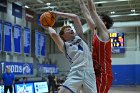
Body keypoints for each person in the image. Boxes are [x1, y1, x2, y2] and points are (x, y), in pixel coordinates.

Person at [41, 11, 97, 93]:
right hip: (76, 72)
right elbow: (54, 34)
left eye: (71, 28)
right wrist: (47, 26)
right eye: (68, 29)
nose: (71, 29)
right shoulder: (64, 46)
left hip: (90, 72)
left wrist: (57, 14)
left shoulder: (80, 37)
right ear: (63, 35)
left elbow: (75, 17)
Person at [79, 0, 114, 93]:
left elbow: (91, 10)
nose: (95, 18)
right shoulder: (95, 32)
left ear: (104, 23)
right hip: (94, 72)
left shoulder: (104, 33)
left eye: (99, 18)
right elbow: (87, 14)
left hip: (104, 73)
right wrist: (81, 3)